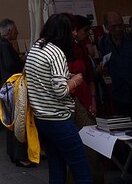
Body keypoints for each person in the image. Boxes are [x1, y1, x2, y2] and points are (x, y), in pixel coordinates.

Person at [24, 13, 92, 184]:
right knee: (81, 167)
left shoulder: (36, 47)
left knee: (56, 167)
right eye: (72, 30)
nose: (75, 34)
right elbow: (61, 91)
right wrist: (75, 81)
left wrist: (64, 77)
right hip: (59, 119)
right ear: (63, 32)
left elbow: (38, 78)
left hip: (41, 118)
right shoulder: (56, 53)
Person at [67, 15, 104, 184]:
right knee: (75, 146)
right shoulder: (65, 49)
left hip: (84, 100)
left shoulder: (81, 48)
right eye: (84, 31)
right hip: (71, 100)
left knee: (90, 144)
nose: (86, 34)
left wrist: (93, 99)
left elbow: (90, 77)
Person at [0, 18, 34, 168]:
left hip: (8, 85)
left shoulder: (2, 44)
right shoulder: (5, 45)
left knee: (11, 121)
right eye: (15, 29)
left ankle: (13, 153)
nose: (18, 32)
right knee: (18, 122)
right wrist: (21, 60)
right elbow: (10, 65)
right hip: (13, 86)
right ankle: (20, 156)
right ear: (9, 31)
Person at [98, 11, 132, 117]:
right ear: (106, 27)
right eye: (113, 26)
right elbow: (105, 62)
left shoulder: (130, 38)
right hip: (119, 94)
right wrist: (102, 69)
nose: (118, 29)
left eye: (120, 25)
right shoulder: (103, 42)